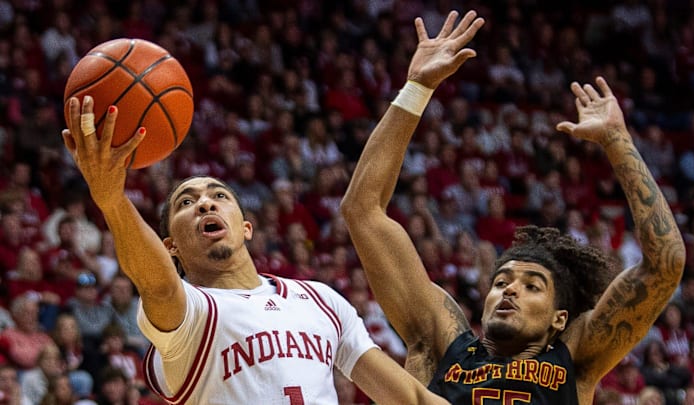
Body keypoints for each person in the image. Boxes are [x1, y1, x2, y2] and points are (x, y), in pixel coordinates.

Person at [60, 60, 458, 405]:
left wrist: (418, 87)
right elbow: (159, 286)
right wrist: (112, 201)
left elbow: (411, 397)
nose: (205, 203)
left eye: (218, 195)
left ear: (246, 227)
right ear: (171, 248)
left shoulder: (320, 300)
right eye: (186, 202)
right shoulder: (191, 311)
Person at [340, 10, 685, 405]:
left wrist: (618, 143)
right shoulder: (442, 341)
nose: (510, 291)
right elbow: (362, 211)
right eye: (501, 282)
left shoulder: (575, 356)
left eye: (532, 286)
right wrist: (417, 88)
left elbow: (666, 262)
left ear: (559, 319)